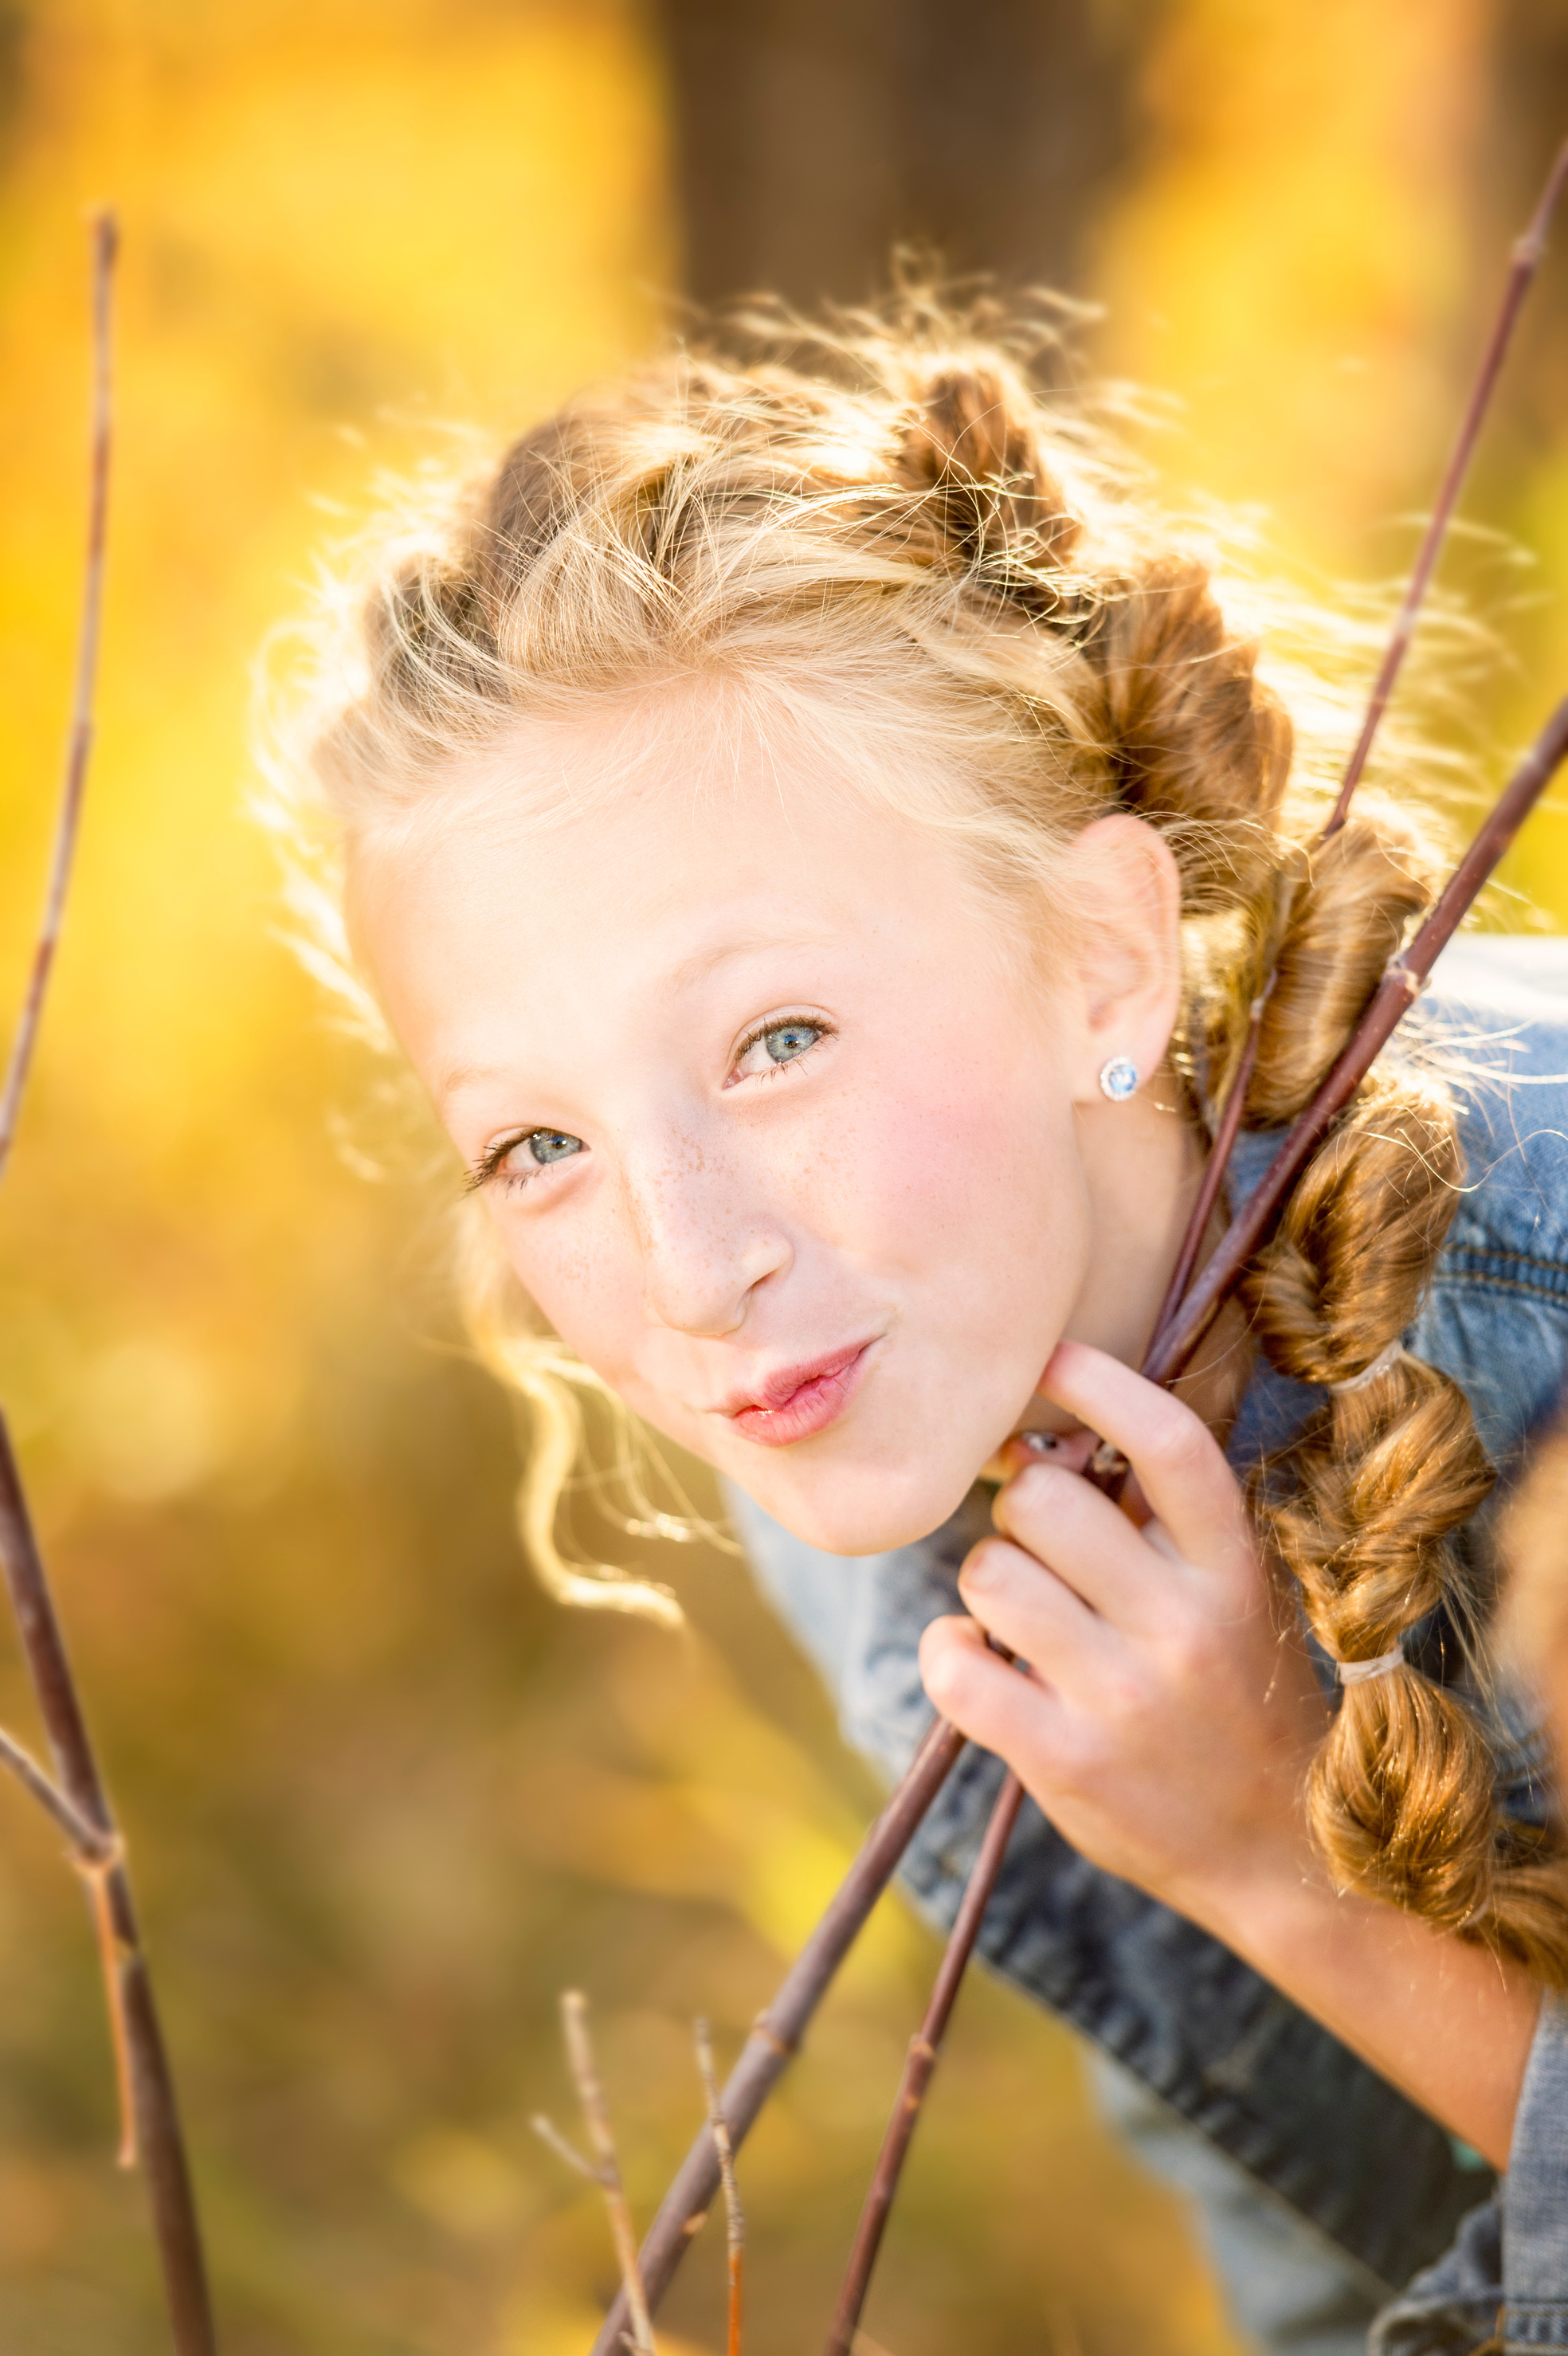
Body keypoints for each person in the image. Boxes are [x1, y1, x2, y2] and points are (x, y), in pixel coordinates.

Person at [274, 299, 1568, 2356]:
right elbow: (1364, 2270)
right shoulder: (879, 1411)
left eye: (777, 1041)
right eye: (536, 1146)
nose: (694, 1273)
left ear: (1102, 963)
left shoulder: (1542, 1339)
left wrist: (1272, 1860)